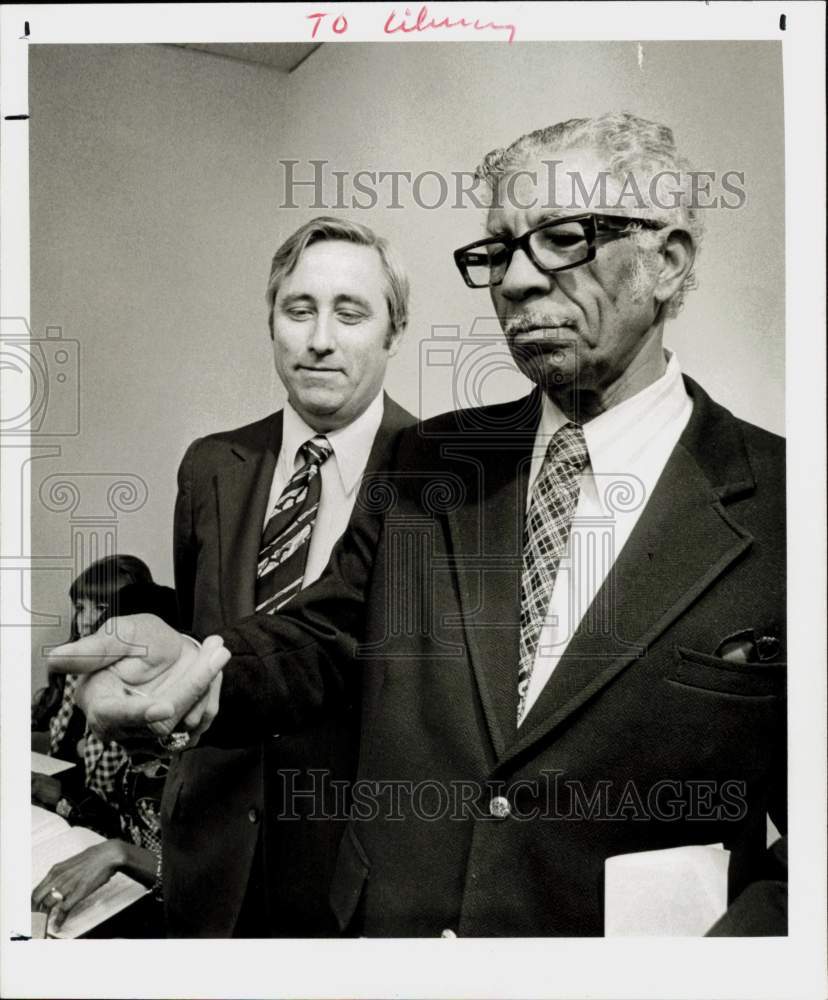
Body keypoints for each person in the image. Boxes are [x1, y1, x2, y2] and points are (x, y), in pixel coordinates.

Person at [53, 113, 786, 937]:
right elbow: (322, 637)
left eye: (563, 239)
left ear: (667, 261)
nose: (515, 281)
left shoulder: (789, 506)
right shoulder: (432, 461)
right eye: (500, 250)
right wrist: (205, 662)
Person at [161, 217, 415, 936]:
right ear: (271, 321)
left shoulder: (438, 481)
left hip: (349, 874)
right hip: (210, 857)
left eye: (351, 312)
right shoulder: (210, 466)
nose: (320, 339)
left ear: (394, 330)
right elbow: (199, 638)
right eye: (298, 309)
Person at [32, 554, 179, 933]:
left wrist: (119, 854)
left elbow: (210, 873)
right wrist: (65, 801)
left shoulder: (195, 756)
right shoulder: (135, 758)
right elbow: (120, 818)